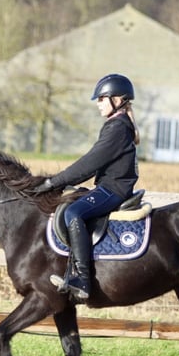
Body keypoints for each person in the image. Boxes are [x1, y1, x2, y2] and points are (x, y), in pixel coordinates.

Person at [32, 73, 140, 301]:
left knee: (73, 212)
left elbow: (90, 162)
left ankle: (82, 277)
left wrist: (54, 182)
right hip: (109, 187)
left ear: (118, 100)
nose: (98, 103)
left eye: (102, 98)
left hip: (113, 190)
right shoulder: (117, 125)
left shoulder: (118, 128)